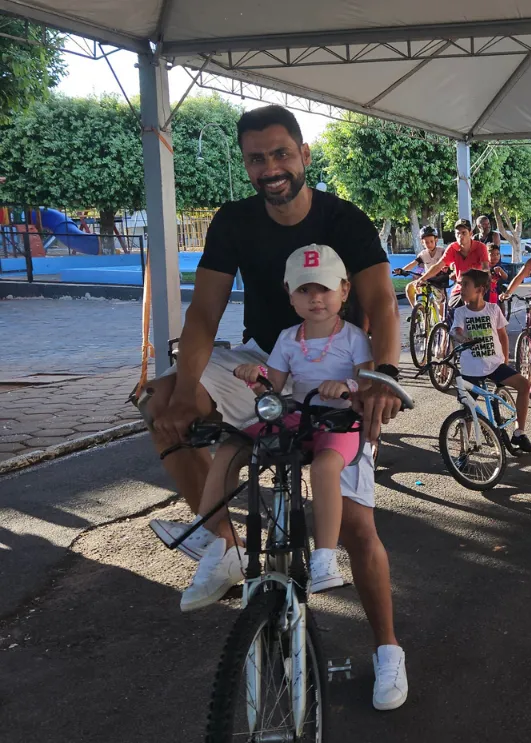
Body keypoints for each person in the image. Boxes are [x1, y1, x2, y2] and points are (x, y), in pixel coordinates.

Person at [141, 105, 408, 710]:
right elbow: (205, 313)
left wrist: (381, 376)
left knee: (358, 530)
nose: (270, 167)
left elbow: (381, 303)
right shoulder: (234, 221)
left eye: (281, 154)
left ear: (304, 154)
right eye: (257, 158)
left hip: (340, 371)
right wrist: (186, 390)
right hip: (268, 362)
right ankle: (224, 544)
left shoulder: (346, 218)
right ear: (246, 164)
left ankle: (388, 647)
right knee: (160, 402)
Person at [180, 245, 371, 611]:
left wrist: (347, 387)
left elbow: (367, 382)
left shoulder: (353, 338)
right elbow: (276, 380)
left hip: (339, 420)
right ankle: (207, 529)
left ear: (344, 291)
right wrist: (258, 377)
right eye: (304, 290)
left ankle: (325, 555)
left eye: (325, 288)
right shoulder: (288, 338)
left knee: (325, 466)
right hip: (297, 415)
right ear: (290, 294)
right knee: (233, 446)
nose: (315, 299)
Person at [452, 269, 531, 452]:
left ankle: (519, 433)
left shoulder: (493, 309)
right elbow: (456, 331)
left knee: (524, 385)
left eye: (466, 284)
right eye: (461, 284)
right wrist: (463, 338)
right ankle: (463, 450)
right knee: (466, 411)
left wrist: (505, 360)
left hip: (495, 365)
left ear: (480, 289)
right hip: (470, 370)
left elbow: (502, 335)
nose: (461, 288)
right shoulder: (460, 312)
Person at [417, 218, 490, 317]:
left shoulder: (480, 247)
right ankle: (446, 331)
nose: (461, 236)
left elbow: (486, 268)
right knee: (449, 315)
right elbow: (438, 265)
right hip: (460, 288)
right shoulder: (452, 248)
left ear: (471, 234)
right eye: (457, 234)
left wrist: (477, 279)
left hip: (477, 288)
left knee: (483, 314)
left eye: (464, 233)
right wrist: (423, 278)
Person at [395, 225, 447, 307]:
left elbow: (448, 263)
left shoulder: (442, 251)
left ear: (436, 240)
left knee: (440, 307)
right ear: (422, 242)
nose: (429, 244)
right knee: (409, 288)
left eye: (431, 241)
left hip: (439, 281)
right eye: (426, 242)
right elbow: (413, 264)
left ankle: (441, 317)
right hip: (426, 279)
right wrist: (402, 270)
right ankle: (417, 312)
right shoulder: (423, 254)